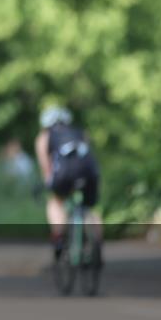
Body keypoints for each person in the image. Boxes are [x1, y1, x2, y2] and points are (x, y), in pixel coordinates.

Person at [34, 106, 102, 259]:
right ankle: (96, 243)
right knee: (89, 207)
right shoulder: (80, 132)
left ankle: (58, 237)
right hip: (89, 172)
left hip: (64, 173)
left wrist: (48, 181)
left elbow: (46, 165)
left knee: (55, 201)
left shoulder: (44, 136)